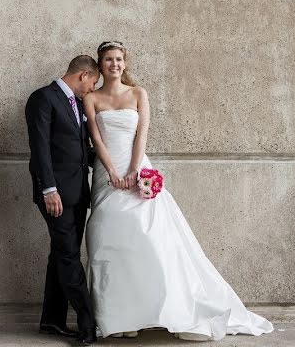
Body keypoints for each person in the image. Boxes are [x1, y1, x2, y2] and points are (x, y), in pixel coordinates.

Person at [82, 41, 274, 341]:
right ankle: (121, 318)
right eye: (108, 60)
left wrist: (133, 171)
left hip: (136, 172)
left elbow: (141, 134)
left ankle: (163, 311)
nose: (114, 64)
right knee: (109, 240)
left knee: (150, 240)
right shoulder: (92, 98)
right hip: (108, 176)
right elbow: (96, 139)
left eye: (119, 59)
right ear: (100, 63)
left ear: (125, 63)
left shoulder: (138, 94)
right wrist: (113, 173)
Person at [25, 55, 101, 344]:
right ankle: (87, 323)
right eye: (93, 83)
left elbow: (82, 148)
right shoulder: (43, 98)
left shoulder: (79, 104)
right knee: (69, 256)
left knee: (60, 255)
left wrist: (116, 163)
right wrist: (49, 190)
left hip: (79, 193)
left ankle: (52, 321)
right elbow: (40, 147)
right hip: (56, 195)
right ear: (83, 75)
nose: (92, 90)